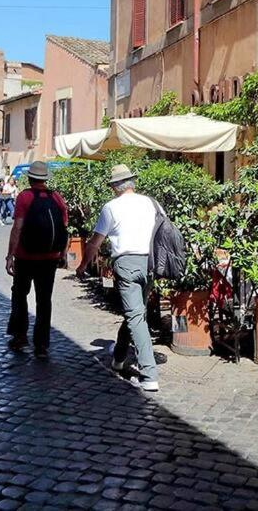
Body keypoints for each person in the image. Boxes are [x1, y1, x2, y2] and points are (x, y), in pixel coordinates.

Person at [78, 164, 164, 392]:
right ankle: (118, 358)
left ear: (115, 187)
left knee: (136, 316)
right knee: (135, 312)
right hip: (150, 263)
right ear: (132, 183)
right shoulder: (150, 202)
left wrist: (83, 264)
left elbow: (95, 242)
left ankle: (149, 374)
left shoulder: (111, 208)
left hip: (126, 264)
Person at [5, 161, 68, 357]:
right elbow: (64, 228)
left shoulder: (25, 197)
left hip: (26, 256)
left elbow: (18, 228)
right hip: (50, 257)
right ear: (45, 179)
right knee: (44, 300)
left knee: (19, 294)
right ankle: (41, 344)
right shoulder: (57, 197)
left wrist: (10, 255)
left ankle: (20, 336)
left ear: (30, 178)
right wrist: (63, 254)